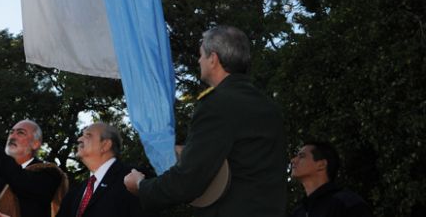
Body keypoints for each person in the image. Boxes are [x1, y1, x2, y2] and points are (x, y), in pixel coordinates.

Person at [124, 25, 287, 216]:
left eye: (201, 54)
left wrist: (141, 186)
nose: (199, 60)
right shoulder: (268, 106)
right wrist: (191, 151)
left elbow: (188, 182)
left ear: (213, 59)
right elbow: (242, 158)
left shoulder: (215, 104)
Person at [56, 122, 149, 217]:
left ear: (105, 145)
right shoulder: (74, 193)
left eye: (88, 135)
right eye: (82, 135)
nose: (79, 139)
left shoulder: (134, 178)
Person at [0, 117, 67, 217]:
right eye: (11, 132)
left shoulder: (49, 173)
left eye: (20, 133)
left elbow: (20, 179)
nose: (12, 136)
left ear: (35, 144)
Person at [289, 141, 372, 217]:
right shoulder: (298, 213)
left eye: (302, 156)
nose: (293, 160)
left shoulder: (346, 203)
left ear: (321, 164)